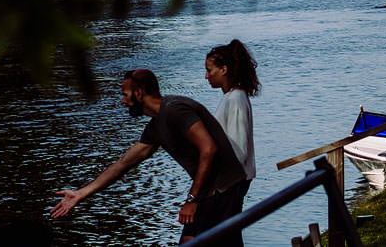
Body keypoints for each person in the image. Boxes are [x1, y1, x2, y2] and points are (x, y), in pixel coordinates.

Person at [51, 68, 248, 247]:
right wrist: (81, 194)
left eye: (125, 95)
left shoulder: (175, 110)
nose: (123, 101)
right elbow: (124, 163)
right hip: (208, 191)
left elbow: (209, 148)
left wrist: (192, 199)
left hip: (224, 188)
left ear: (139, 92)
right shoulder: (155, 127)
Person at [203, 40, 260, 199]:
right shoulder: (230, 97)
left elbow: (239, 148)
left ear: (223, 70)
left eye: (209, 71)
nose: (206, 76)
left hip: (233, 181)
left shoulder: (235, 98)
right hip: (229, 180)